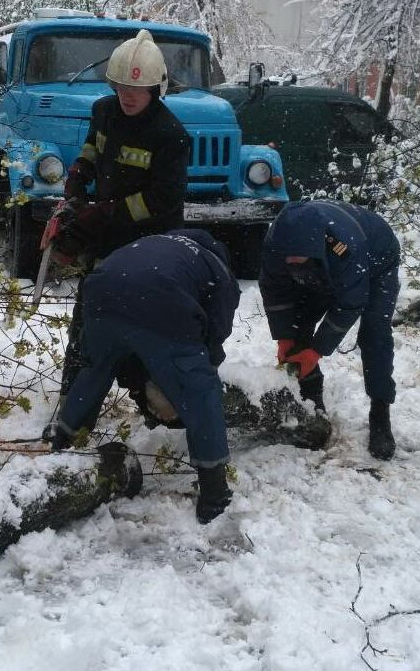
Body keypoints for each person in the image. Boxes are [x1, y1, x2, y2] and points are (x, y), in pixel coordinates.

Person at [50, 229, 241, 524]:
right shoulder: (218, 268)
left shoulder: (154, 243)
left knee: (95, 369)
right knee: (200, 387)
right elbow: (214, 335)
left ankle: (63, 442)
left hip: (101, 289)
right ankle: (214, 489)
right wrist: (189, 379)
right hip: (159, 297)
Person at [47, 29, 192, 416]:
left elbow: (163, 200)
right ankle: (72, 409)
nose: (127, 96)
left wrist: (106, 212)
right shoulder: (104, 111)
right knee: (89, 321)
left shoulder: (170, 136)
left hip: (152, 244)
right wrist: (79, 174)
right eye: (120, 87)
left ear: (156, 90)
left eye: (136, 89)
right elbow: (94, 147)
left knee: (145, 323)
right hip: (106, 233)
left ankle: (155, 402)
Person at [258, 200, 402, 460]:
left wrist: (317, 351)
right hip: (323, 264)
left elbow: (350, 303)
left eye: (297, 260)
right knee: (297, 323)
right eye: (287, 261)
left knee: (374, 333)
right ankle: (313, 407)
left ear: (315, 246)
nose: (291, 263)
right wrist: (285, 338)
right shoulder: (275, 246)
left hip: (377, 258)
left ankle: (380, 413)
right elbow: (275, 291)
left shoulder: (344, 248)